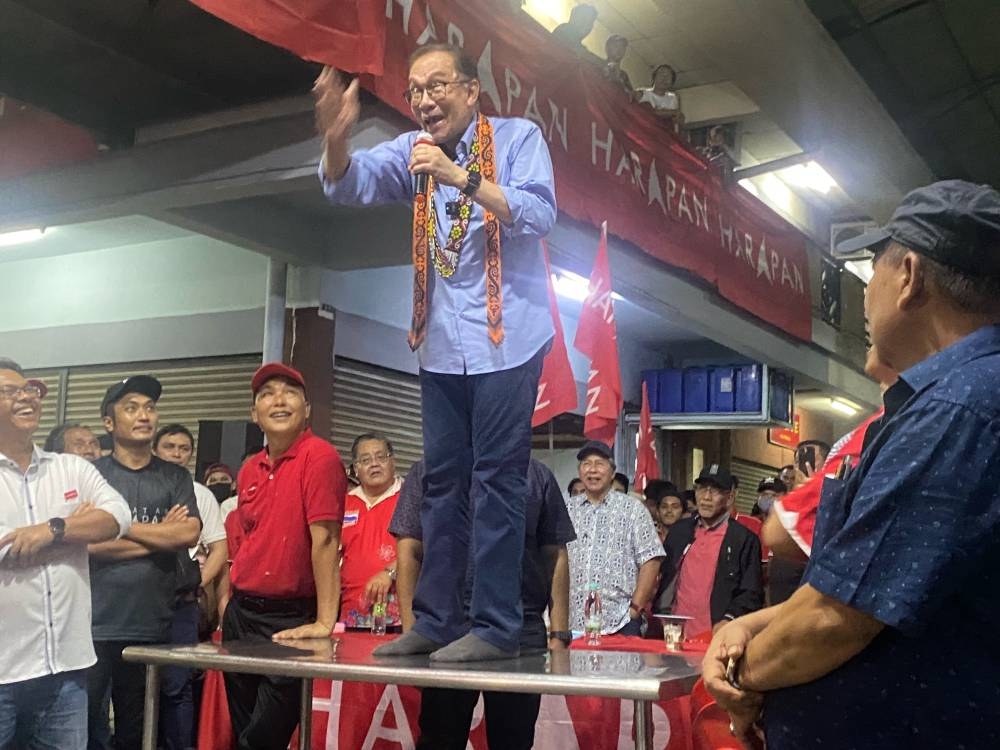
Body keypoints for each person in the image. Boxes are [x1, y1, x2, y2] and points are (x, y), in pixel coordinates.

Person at [704, 180, 1000, 748]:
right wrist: (750, 626)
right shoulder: (949, 403)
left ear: (909, 276)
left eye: (872, 273)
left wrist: (742, 677)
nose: (865, 298)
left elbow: (832, 621)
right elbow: (874, 590)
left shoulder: (956, 412)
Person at [314, 42, 557, 662]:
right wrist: (337, 142)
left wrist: (462, 178)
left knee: (497, 481)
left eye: (437, 86)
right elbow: (349, 187)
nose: (423, 100)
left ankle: (498, 627)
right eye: (415, 90)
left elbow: (539, 213)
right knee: (441, 482)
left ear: (472, 92)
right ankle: (437, 619)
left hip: (509, 342)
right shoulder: (410, 152)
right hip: (442, 346)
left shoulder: (517, 137)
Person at [390, 457, 574, 749]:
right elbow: (409, 550)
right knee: (440, 739)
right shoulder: (430, 470)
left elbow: (555, 553)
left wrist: (560, 634)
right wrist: (413, 632)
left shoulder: (536, 474)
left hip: (519, 631)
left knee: (513, 740)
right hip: (446, 628)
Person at [0, 359, 132, 750]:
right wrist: (77, 530)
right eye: (10, 391)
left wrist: (53, 530)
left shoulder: (70, 467)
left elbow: (118, 516)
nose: (26, 398)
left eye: (30, 390)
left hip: (66, 672)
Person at [223, 363, 346, 750]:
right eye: (267, 394)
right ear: (254, 412)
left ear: (307, 408)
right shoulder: (248, 469)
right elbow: (246, 541)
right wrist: (229, 602)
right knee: (244, 731)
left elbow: (325, 541)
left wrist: (326, 620)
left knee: (262, 739)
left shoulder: (319, 457)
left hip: (290, 619)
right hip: (241, 616)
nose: (278, 400)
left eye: (289, 392)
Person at [88, 376, 202, 750]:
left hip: (150, 622)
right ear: (109, 422)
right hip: (93, 623)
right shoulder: (93, 475)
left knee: (136, 731)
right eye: (132, 407)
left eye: (150, 408)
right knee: (87, 728)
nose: (144, 416)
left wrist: (120, 528)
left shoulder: (174, 475)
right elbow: (86, 546)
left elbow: (187, 535)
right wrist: (159, 538)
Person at [153, 424, 229, 749]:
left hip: (182, 606)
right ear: (156, 449)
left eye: (184, 448)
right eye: (170, 446)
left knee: (177, 687)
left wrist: (195, 582)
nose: (177, 453)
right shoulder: (140, 486)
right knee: (138, 688)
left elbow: (220, 550)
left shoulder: (202, 494)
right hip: (141, 604)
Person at [566, 441, 663, 636]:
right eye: (586, 464)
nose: (592, 470)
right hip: (573, 623)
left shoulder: (633, 510)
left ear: (612, 472)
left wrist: (635, 609)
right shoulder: (566, 509)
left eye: (599, 464)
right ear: (579, 472)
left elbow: (651, 560)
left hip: (620, 622)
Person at [654, 465, 763, 636]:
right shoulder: (680, 531)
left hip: (717, 635)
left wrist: (729, 620)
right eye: (702, 489)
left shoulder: (743, 539)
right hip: (673, 633)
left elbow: (751, 593)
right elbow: (662, 577)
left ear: (729, 497)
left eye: (714, 491)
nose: (706, 497)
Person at [340, 432, 403, 630]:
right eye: (365, 460)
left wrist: (390, 572)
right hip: (350, 615)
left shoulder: (410, 498)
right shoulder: (344, 503)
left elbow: (427, 545)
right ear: (356, 469)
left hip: (399, 617)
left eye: (381, 457)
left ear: (393, 462)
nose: (374, 464)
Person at [636, 64, 683, 132]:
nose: (664, 78)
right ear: (654, 77)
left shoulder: (673, 98)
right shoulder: (642, 94)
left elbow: (676, 120)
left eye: (668, 76)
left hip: (666, 136)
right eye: (661, 74)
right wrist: (672, 112)